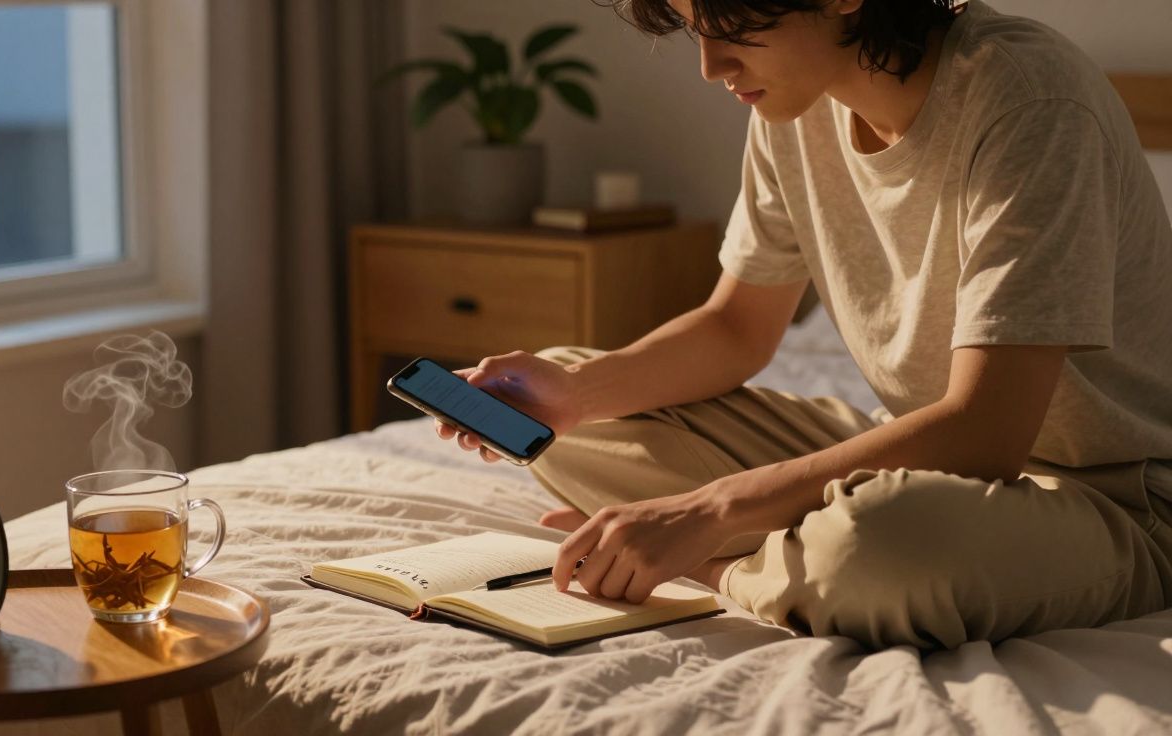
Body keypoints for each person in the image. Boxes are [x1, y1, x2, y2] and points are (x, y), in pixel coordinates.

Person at [436, 0, 1172, 650]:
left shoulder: (1029, 100)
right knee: (561, 405)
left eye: (731, 31)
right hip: (916, 453)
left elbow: (986, 433)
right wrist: (574, 390)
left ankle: (715, 566)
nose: (709, 66)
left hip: (1115, 499)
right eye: (694, 30)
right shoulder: (793, 105)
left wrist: (709, 513)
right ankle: (765, 548)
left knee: (877, 548)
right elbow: (734, 330)